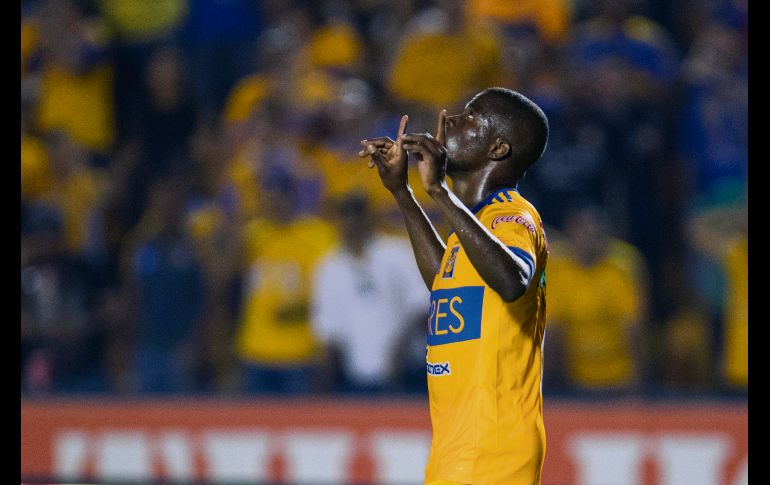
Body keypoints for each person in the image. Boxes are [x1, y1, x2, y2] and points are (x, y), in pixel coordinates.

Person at [360, 87, 549, 485]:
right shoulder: (474, 228)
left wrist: (439, 192)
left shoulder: (512, 215)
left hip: (493, 447)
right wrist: (401, 191)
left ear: (498, 148)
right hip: (458, 445)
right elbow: (443, 282)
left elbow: (513, 280)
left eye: (471, 117)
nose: (449, 120)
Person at [310, 191, 428, 394]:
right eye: (345, 217)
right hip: (355, 377)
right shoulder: (330, 266)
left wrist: (400, 350)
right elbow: (330, 332)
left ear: (369, 218)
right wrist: (323, 388)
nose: (351, 223)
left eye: (356, 216)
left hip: (406, 372)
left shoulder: (396, 253)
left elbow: (422, 307)